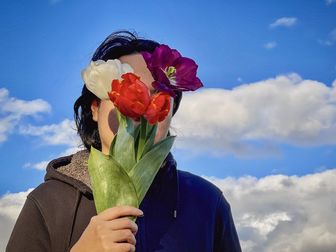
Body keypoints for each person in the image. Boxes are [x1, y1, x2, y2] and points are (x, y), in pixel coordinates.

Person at [6, 31, 242, 252]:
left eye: (156, 94)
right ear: (95, 108)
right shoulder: (47, 202)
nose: (141, 106)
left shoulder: (207, 203)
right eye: (126, 86)